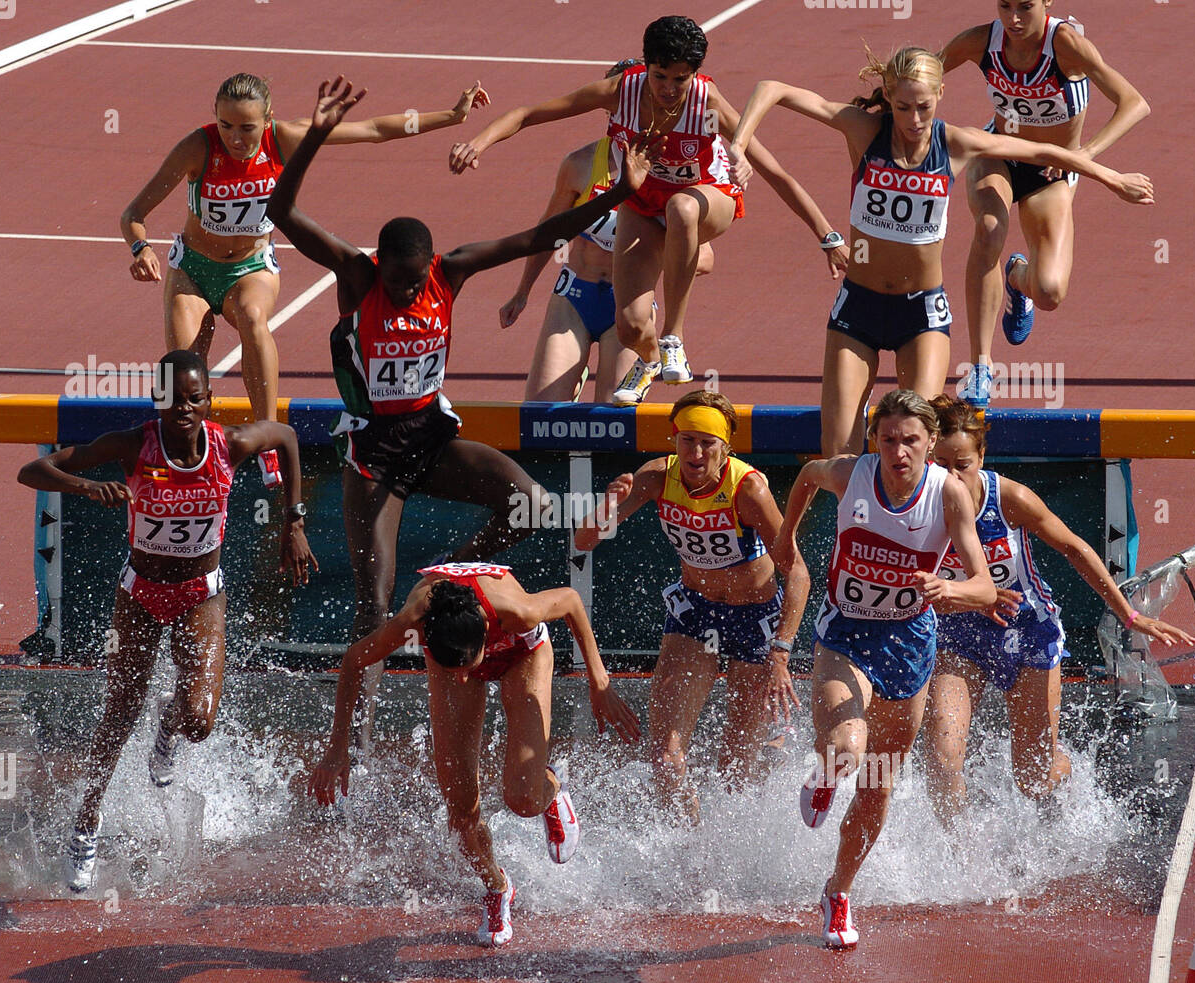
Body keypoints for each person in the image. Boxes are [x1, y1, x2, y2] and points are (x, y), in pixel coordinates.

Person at [267, 77, 664, 752]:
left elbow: (539, 233)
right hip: (375, 458)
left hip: (431, 433)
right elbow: (280, 209)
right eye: (399, 278)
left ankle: (450, 571)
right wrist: (317, 138)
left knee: (530, 504)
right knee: (375, 601)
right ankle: (351, 745)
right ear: (377, 265)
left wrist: (619, 195)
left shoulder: (450, 272)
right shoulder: (357, 277)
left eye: (416, 277)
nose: (408, 287)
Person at [730, 46, 1153, 457]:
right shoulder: (863, 130)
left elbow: (1042, 151)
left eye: (924, 108)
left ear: (940, 97)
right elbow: (772, 88)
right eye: (902, 108)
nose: (914, 120)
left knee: (915, 449)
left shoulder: (955, 144)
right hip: (856, 308)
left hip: (922, 316)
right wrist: (739, 143)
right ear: (889, 98)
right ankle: (851, 528)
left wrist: (1110, 178)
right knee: (839, 455)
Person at [17, 351, 317, 893]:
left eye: (194, 398)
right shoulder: (133, 443)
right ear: (159, 400)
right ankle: (85, 826)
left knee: (199, 721)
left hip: (201, 596)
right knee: (118, 711)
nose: (184, 408)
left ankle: (167, 729)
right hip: (140, 594)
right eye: (174, 398)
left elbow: (288, 438)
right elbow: (32, 470)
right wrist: (87, 488)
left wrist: (293, 523)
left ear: (208, 401)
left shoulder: (231, 444)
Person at [451, 15, 847, 404]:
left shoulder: (706, 101)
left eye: (680, 78)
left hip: (709, 196)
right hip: (642, 205)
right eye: (660, 76)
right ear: (646, 67)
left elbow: (777, 173)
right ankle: (651, 358)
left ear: (694, 74)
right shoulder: (617, 93)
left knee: (682, 209)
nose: (670, 88)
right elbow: (526, 114)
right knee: (630, 326)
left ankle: (673, 337)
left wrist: (827, 237)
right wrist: (479, 142)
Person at [121, 72, 490, 486]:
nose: (235, 139)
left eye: (246, 128)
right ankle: (185, 460)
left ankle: (268, 443)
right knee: (185, 370)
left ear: (268, 120)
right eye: (226, 126)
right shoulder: (198, 148)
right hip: (193, 269)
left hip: (250, 268)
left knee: (252, 319)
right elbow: (133, 213)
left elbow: (372, 130)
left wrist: (452, 117)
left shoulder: (286, 138)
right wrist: (141, 250)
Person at [309, 562, 640, 947]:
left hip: (522, 654)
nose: (465, 678)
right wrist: (336, 749)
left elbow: (570, 600)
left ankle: (550, 790)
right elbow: (353, 660)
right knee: (460, 809)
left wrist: (599, 683)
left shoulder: (517, 611)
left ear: (484, 634)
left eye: (468, 666)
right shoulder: (413, 622)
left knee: (523, 797)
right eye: (457, 669)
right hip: (456, 650)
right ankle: (498, 889)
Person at [777, 389, 995, 947]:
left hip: (909, 641)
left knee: (876, 788)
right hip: (845, 630)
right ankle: (826, 770)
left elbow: (985, 586)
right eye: (889, 439)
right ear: (876, 440)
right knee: (848, 746)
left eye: (911, 441)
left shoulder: (948, 496)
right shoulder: (852, 474)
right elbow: (805, 476)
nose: (899, 451)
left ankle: (838, 893)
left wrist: (952, 587)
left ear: (929, 444)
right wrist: (787, 537)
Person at [921, 396, 1195, 826]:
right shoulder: (916, 503)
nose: (951, 475)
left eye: (962, 464)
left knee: (1033, 777)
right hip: (959, 635)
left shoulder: (1009, 497)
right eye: (940, 463)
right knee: (942, 755)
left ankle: (1068, 774)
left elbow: (1074, 548)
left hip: (1027, 630)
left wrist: (1129, 615)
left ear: (982, 457)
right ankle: (962, 858)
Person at [574, 391, 810, 819]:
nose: (696, 452)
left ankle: (769, 772)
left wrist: (781, 651)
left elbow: (797, 573)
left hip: (755, 618)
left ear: (725, 447)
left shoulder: (748, 489)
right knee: (665, 758)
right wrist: (607, 505)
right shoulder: (655, 478)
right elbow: (584, 541)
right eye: (687, 440)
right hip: (695, 612)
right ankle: (691, 852)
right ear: (674, 439)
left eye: (707, 443)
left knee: (735, 769)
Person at [939, 2, 1150, 404]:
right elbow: (925, 74)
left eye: (1025, 7)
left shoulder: (1067, 45)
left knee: (1050, 292)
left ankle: (1018, 277)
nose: (1014, 19)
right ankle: (980, 368)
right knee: (988, 230)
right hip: (998, 152)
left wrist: (1084, 156)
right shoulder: (981, 41)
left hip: (1052, 172)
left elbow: (1134, 103)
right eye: (1005, 6)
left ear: (1046, 1)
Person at [499, 61, 717, 405]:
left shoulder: (674, 174)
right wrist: (522, 291)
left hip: (627, 307)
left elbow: (703, 259)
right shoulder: (581, 164)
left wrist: (648, 248)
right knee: (541, 412)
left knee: (612, 417)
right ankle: (575, 370)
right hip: (573, 296)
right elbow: (550, 231)